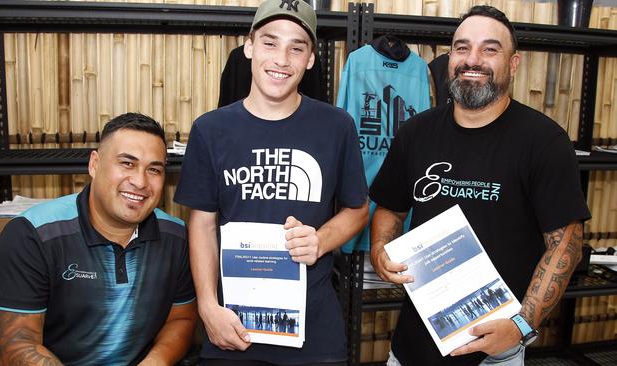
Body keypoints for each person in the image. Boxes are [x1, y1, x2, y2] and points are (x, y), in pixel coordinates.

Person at [369, 5, 590, 366]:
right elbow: (391, 208)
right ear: (450, 56)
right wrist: (380, 250)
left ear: (513, 64)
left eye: (490, 49)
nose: (473, 59)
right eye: (461, 47)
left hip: (496, 352)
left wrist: (521, 325)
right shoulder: (416, 132)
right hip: (412, 347)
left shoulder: (544, 141)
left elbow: (565, 246)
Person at [174, 0, 369, 364]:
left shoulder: (336, 126)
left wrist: (320, 240)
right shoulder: (210, 130)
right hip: (233, 328)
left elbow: (358, 209)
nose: (281, 59)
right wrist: (207, 307)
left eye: (297, 47)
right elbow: (201, 223)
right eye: (269, 42)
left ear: (310, 59)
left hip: (314, 334)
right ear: (248, 46)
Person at [0, 113, 197, 366]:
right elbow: (16, 343)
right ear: (94, 165)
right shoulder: (33, 234)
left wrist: (155, 362)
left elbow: (181, 319)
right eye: (127, 164)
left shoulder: (176, 237)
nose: (140, 181)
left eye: (154, 169)